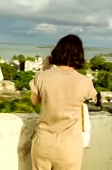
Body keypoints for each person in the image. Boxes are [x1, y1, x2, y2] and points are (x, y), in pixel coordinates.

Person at [29, 34, 97, 170]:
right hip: (69, 147)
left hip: (43, 143)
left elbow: (34, 101)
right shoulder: (85, 82)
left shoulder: (41, 77)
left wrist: (44, 70)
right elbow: (93, 99)